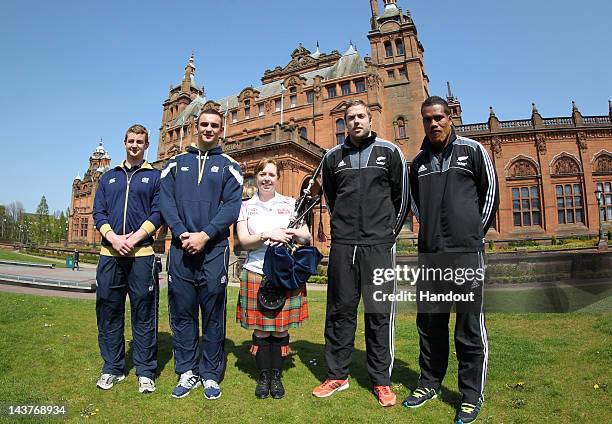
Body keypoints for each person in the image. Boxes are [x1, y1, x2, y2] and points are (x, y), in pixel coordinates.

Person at [403, 96, 499, 424]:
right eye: (427, 119)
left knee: (469, 326)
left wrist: (472, 235)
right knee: (430, 325)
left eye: (439, 117)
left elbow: (490, 193)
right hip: (431, 256)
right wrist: (429, 229)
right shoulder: (417, 163)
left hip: (466, 254)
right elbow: (415, 204)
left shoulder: (473, 151)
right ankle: (429, 383)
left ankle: (471, 395)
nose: (434, 123)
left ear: (449, 118)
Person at [312, 100, 410, 407]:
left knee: (379, 314)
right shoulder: (332, 157)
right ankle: (337, 375)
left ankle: (381, 380)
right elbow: (329, 195)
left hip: (378, 246)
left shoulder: (389, 152)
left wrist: (386, 236)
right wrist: (341, 231)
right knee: (340, 311)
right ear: (345, 122)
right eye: (350, 117)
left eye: (360, 116)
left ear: (370, 120)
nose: (355, 121)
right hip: (343, 246)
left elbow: (402, 197)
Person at [160, 107, 243, 401]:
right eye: (204, 124)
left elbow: (232, 207)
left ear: (221, 129)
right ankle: (186, 370)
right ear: (196, 126)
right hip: (181, 249)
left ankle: (209, 373)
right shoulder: (175, 163)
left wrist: (205, 235)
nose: (208, 129)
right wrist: (183, 233)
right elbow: (164, 201)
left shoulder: (231, 165)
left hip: (213, 251)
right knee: (182, 313)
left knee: (212, 316)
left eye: (214, 125)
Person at [92, 124, 162, 394]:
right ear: (124, 143)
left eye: (140, 142)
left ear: (147, 145)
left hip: (141, 254)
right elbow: (99, 213)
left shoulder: (155, 177)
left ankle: (145, 371)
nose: (135, 145)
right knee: (109, 311)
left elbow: (158, 213)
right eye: (131, 141)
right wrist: (114, 238)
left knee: (144, 314)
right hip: (110, 254)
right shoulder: (109, 177)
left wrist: (132, 239)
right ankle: (112, 367)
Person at [235, 158, 312, 399]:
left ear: (277, 178)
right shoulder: (245, 206)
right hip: (256, 270)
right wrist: (266, 234)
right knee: (260, 330)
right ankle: (263, 377)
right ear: (256, 177)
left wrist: (292, 233)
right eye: (262, 174)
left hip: (283, 273)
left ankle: (276, 377)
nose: (267, 178)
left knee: (278, 331)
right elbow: (243, 241)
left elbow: (306, 237)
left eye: (271, 174)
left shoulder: (290, 204)